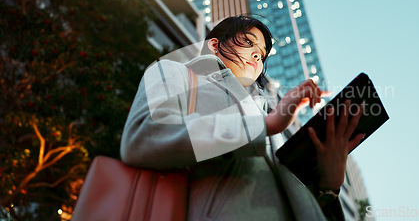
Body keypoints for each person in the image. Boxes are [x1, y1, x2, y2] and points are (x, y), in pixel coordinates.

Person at [120, 15, 365, 221]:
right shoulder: (171, 71)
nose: (257, 56)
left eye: (262, 55)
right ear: (214, 45)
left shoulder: (266, 113)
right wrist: (265, 126)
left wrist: (329, 186)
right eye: (248, 42)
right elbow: (141, 136)